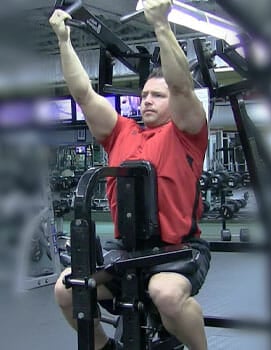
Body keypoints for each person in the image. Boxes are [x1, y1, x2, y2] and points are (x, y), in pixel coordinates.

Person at [50, 1, 210, 349]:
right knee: (67, 289)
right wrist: (64, 41)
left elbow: (182, 88)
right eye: (144, 95)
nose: (147, 100)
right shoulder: (121, 133)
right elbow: (83, 93)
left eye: (157, 95)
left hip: (179, 250)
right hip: (128, 253)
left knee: (164, 294)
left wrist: (161, 25)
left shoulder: (187, 133)